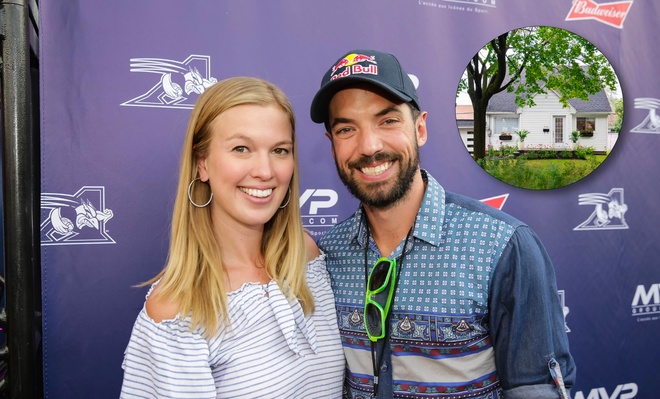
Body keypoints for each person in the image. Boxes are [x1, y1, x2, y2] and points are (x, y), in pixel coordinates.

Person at [310, 49, 576, 399]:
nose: (369, 146)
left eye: (388, 121)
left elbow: (536, 389)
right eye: (347, 129)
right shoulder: (323, 257)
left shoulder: (502, 245)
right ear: (332, 144)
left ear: (420, 128)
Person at [120, 77, 344, 398]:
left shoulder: (307, 258)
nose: (265, 171)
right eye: (242, 148)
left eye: (280, 150)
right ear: (202, 164)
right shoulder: (177, 310)